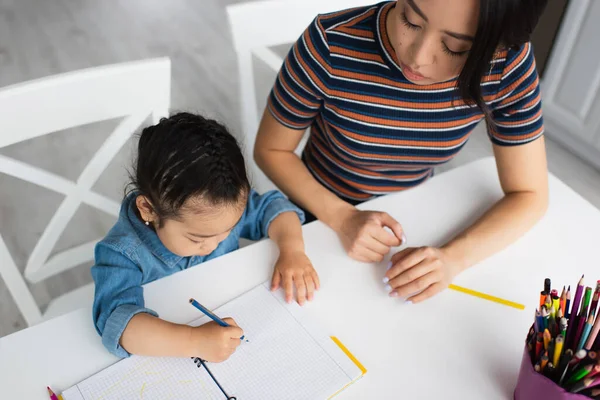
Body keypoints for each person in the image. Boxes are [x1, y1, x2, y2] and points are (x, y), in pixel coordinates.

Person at [254, 0, 548, 304]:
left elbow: (529, 194)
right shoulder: (330, 43)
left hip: (414, 219)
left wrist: (452, 259)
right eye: (410, 20)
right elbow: (271, 149)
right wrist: (343, 217)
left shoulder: (506, 65)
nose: (417, 57)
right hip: (315, 215)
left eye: (454, 47)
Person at [92, 112, 318, 360]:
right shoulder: (123, 253)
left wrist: (292, 250)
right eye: (197, 239)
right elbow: (117, 323)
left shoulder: (222, 208)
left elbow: (273, 209)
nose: (212, 245)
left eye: (228, 232)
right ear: (149, 209)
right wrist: (194, 341)